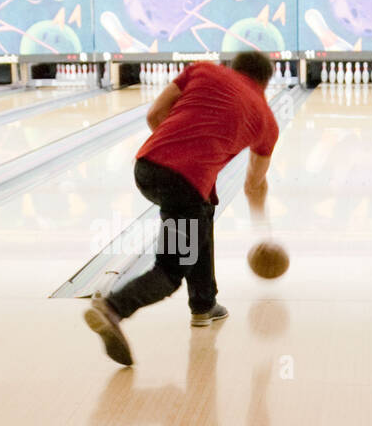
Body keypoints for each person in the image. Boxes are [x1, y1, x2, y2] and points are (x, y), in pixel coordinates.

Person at [84, 50, 278, 365]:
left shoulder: (203, 70)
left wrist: (177, 152)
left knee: (203, 208)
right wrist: (263, 229)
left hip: (147, 167)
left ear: (231, 67)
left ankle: (204, 303)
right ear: (266, 83)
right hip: (183, 186)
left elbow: (154, 116)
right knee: (170, 271)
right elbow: (254, 184)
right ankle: (113, 308)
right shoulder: (267, 121)